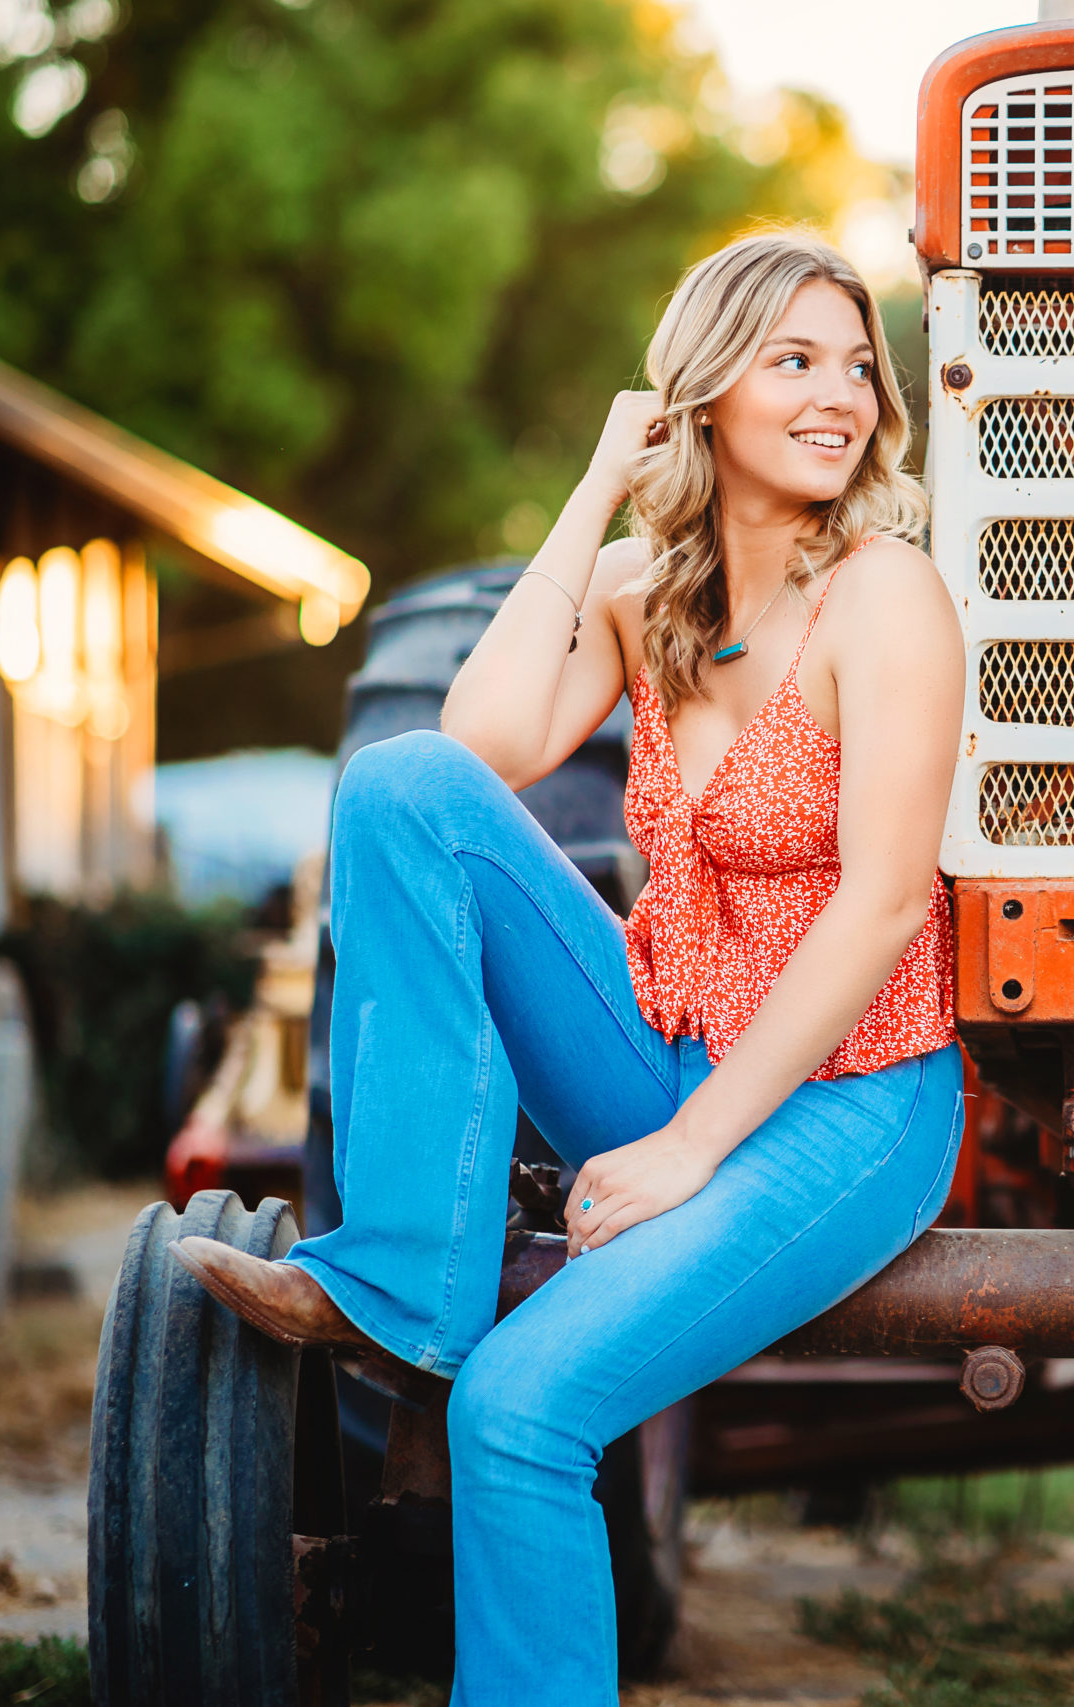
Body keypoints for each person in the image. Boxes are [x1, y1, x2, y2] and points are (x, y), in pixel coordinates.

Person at [169, 231, 967, 1704]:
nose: (840, 396)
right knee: (400, 785)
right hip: (658, 1040)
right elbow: (480, 747)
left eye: (857, 366)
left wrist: (683, 1152)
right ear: (705, 392)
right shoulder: (644, 593)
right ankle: (410, 1273)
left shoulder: (888, 597)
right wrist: (599, 486)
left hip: (848, 1104)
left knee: (521, 1410)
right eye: (793, 360)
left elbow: (883, 905)